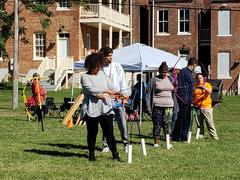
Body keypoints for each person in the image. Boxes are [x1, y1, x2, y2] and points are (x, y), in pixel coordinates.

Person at [80, 52, 120, 161]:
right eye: (96, 66)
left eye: (99, 66)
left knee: (109, 133)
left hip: (106, 108)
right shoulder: (85, 76)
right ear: (90, 66)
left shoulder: (103, 75)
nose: (98, 68)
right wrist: (104, 90)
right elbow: (89, 89)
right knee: (92, 133)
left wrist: (109, 92)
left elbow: (111, 87)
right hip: (92, 109)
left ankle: (115, 154)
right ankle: (91, 154)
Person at [100, 47, 129, 152]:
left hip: (118, 98)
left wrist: (124, 97)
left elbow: (123, 82)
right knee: (107, 123)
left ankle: (126, 143)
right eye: (108, 56)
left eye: (111, 55)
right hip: (105, 99)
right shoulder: (99, 68)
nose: (110, 58)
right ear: (103, 56)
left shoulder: (117, 67)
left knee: (122, 122)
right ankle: (105, 145)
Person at [147, 62, 174, 148]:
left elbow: (173, 91)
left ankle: (168, 142)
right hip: (157, 105)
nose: (163, 74)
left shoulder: (171, 79)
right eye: (162, 72)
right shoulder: (153, 80)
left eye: (165, 72)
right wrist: (148, 107)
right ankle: (156, 143)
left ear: (167, 72)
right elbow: (148, 93)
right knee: (157, 123)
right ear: (159, 71)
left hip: (169, 105)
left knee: (168, 124)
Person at [172, 57, 197, 141]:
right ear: (193, 65)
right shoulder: (184, 72)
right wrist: (183, 98)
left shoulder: (189, 73)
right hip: (184, 100)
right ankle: (176, 136)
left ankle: (183, 135)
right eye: (195, 66)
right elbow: (180, 87)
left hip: (189, 100)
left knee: (187, 118)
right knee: (181, 117)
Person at [193, 73, 219, 140]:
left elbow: (210, 91)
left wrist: (205, 88)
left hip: (206, 107)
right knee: (199, 123)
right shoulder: (195, 85)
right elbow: (193, 95)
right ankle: (200, 135)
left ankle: (215, 137)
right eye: (198, 78)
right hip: (198, 107)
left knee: (209, 123)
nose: (199, 80)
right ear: (196, 79)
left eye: (200, 78)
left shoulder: (207, 85)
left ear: (203, 79)